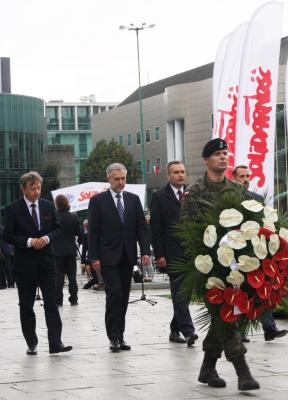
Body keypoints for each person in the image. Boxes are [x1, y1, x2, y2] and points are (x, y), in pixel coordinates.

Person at [181, 138, 259, 391]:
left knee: (221, 318)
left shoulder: (237, 191)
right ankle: (243, 371)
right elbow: (189, 233)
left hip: (236, 266)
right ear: (206, 160)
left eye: (225, 153)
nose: (223, 158)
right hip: (208, 268)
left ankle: (207, 368)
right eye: (217, 154)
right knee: (225, 316)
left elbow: (248, 225)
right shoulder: (194, 192)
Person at [3, 171, 72, 356]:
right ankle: (31, 342)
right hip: (25, 264)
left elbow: (58, 229)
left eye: (39, 188)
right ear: (24, 189)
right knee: (26, 306)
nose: (36, 192)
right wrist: (28, 241)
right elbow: (8, 235)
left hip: (47, 262)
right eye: (32, 188)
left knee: (52, 303)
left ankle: (55, 343)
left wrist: (47, 238)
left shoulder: (48, 206)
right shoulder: (13, 209)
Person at [88, 163, 150, 353]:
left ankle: (120, 336)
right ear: (108, 179)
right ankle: (113, 336)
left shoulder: (133, 199)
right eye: (117, 179)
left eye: (123, 178)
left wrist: (145, 251)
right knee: (113, 293)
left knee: (123, 297)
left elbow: (141, 227)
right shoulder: (98, 201)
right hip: (107, 257)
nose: (121, 182)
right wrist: (94, 257)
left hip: (128, 255)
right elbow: (93, 232)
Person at [231, 165, 288, 342]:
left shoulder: (256, 198)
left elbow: (264, 220)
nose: (246, 179)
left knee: (263, 287)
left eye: (248, 176)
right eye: (242, 176)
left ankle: (269, 328)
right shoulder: (229, 199)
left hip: (257, 248)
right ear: (234, 178)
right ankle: (239, 331)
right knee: (240, 290)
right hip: (236, 248)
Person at [150, 161, 198, 346]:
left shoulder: (191, 194)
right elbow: (156, 228)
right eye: (176, 172)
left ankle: (174, 328)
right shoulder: (160, 196)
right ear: (168, 175)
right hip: (172, 254)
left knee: (185, 295)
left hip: (192, 253)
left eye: (183, 172)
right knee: (179, 293)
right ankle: (188, 331)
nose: (180, 175)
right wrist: (159, 255)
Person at [52, 194, 81, 306]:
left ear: (57, 204)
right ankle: (74, 299)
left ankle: (58, 300)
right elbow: (79, 234)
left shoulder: (54, 217)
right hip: (70, 250)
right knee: (72, 276)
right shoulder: (74, 217)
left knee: (58, 276)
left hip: (57, 250)